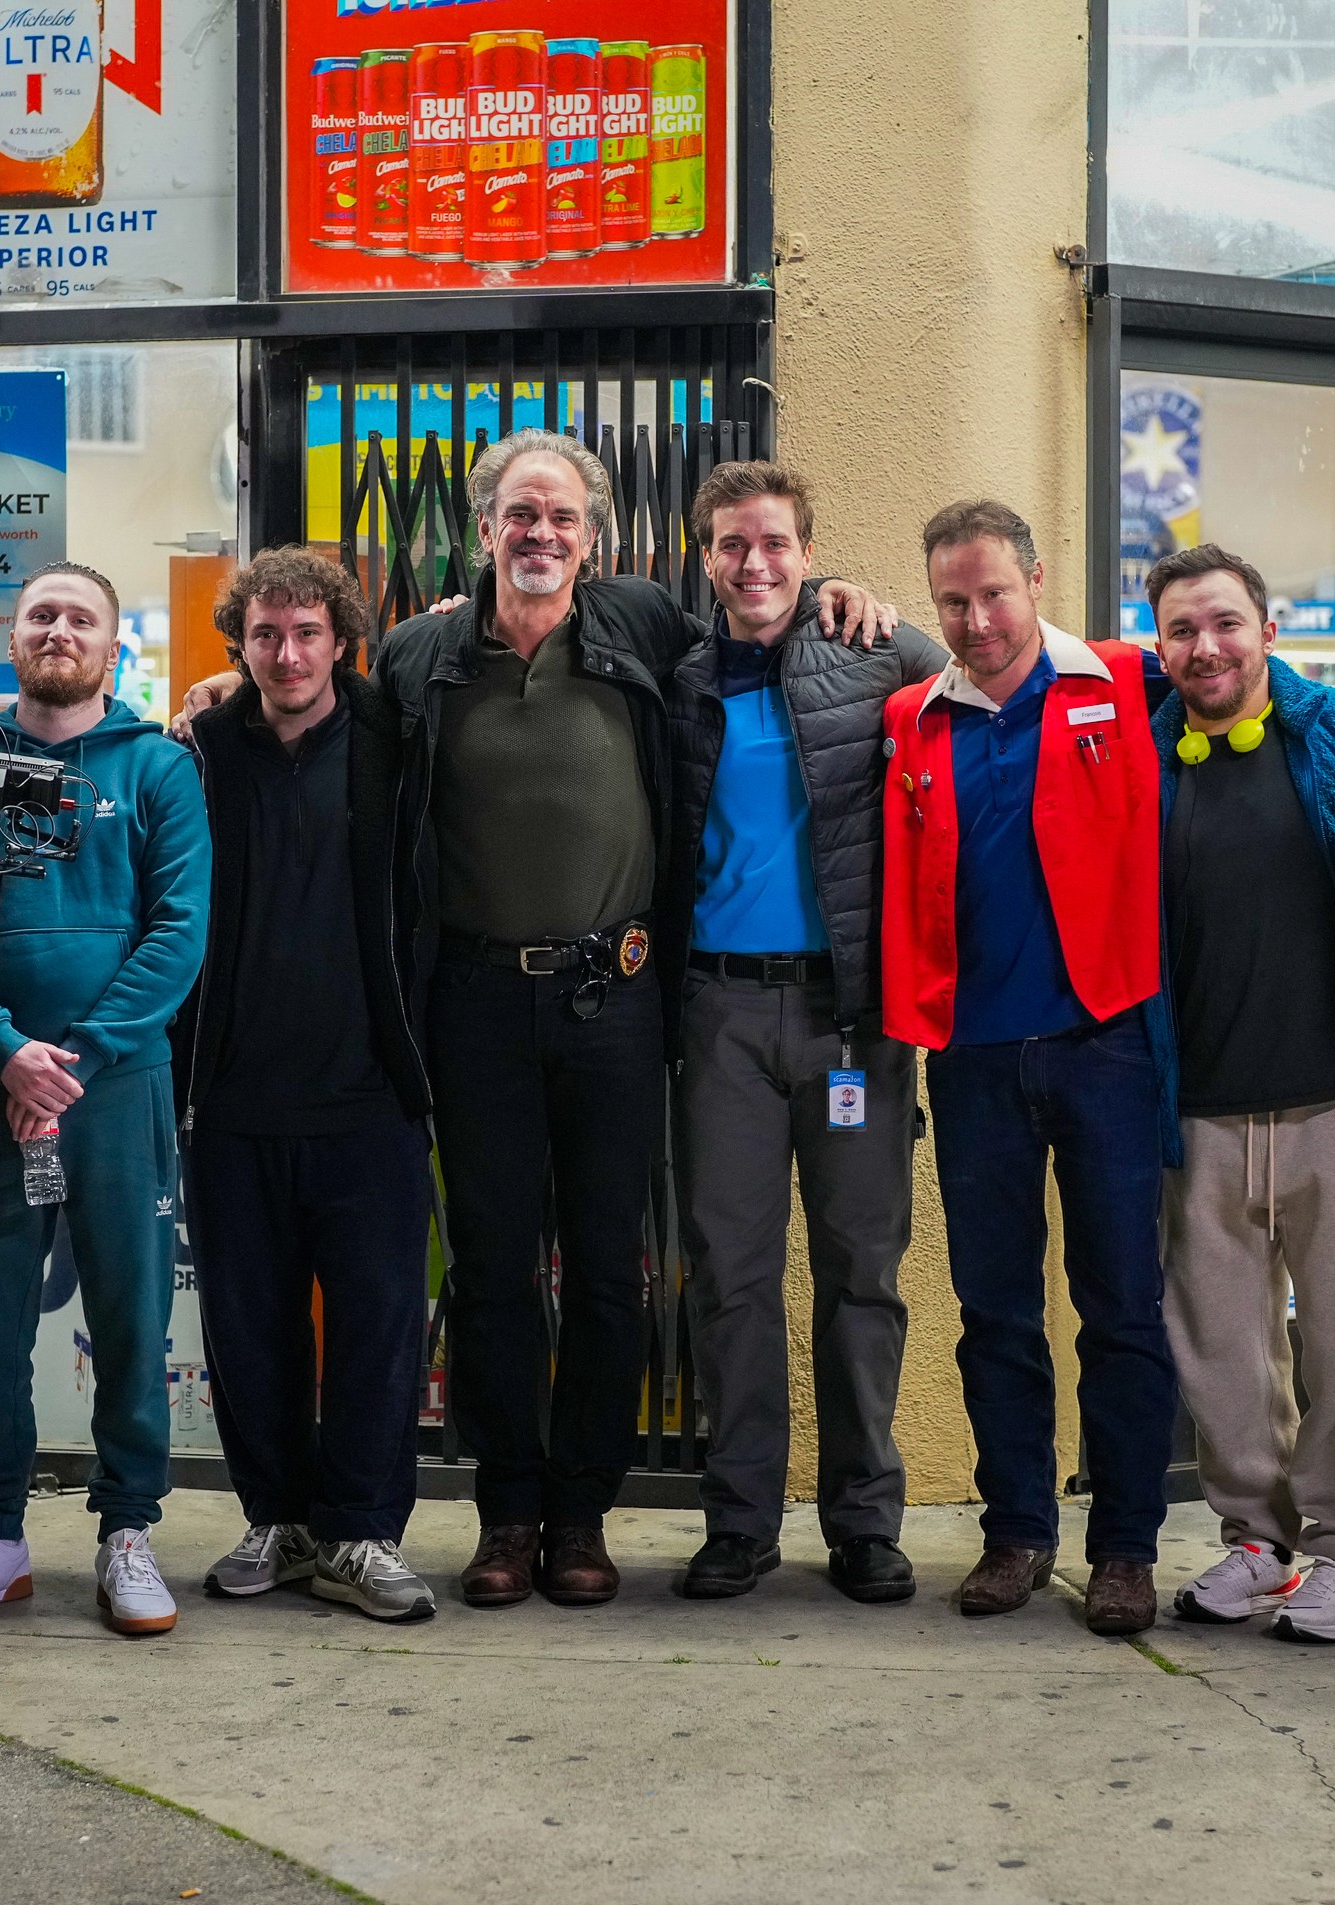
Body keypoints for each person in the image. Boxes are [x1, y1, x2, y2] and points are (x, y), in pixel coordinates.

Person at [178, 428, 890, 1609]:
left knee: (612, 1273)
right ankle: (506, 1516)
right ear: (483, 529)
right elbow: (319, 710)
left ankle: (580, 1517)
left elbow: (759, 622)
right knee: (496, 1272)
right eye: (520, 515)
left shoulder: (647, 629)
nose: (541, 535)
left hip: (616, 998)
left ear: (596, 536)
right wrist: (224, 685)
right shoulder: (418, 656)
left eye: (562, 517)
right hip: (471, 1004)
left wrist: (838, 595)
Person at [880, 499, 1176, 1635]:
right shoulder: (914, 717)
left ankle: (1128, 1547)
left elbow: (1244, 682)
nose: (976, 619)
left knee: (1121, 1309)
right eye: (952, 601)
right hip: (972, 1057)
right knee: (994, 1307)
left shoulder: (1122, 681)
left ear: (1037, 579)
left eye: (994, 593)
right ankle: (1017, 1532)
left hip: (1104, 1042)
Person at [0, 561, 210, 1637]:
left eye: (81, 618)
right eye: (42, 615)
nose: (59, 630)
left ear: (112, 645)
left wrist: (70, 1059)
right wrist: (3, 1052)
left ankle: (128, 1529)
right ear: (14, 636)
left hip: (116, 1092)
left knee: (130, 1316)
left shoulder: (158, 771)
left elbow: (179, 934)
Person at [666, 461, 949, 1604]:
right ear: (705, 556)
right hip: (720, 1013)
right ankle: (739, 1522)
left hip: (852, 1020)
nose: (755, 565)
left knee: (861, 1277)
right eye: (732, 544)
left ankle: (864, 1525)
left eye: (776, 542)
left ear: (807, 550)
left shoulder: (879, 652)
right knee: (730, 1278)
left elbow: (991, 680)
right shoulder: (678, 678)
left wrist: (881, 600)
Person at [1144, 544, 1335, 1643]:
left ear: (1269, 628)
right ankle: (1255, 1538)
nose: (1205, 648)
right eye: (1181, 632)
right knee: (1220, 1341)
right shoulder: (1138, 751)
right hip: (1197, 1102)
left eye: (1225, 625)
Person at [178, 547, 436, 1623]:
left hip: (369, 1091)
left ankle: (362, 1535)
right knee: (248, 1327)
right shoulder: (200, 749)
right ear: (238, 643)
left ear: (343, 641)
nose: (287, 655)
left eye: (308, 634)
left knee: (379, 1324)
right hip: (233, 1095)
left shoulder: (395, 735)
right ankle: (279, 1521)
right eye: (266, 636)